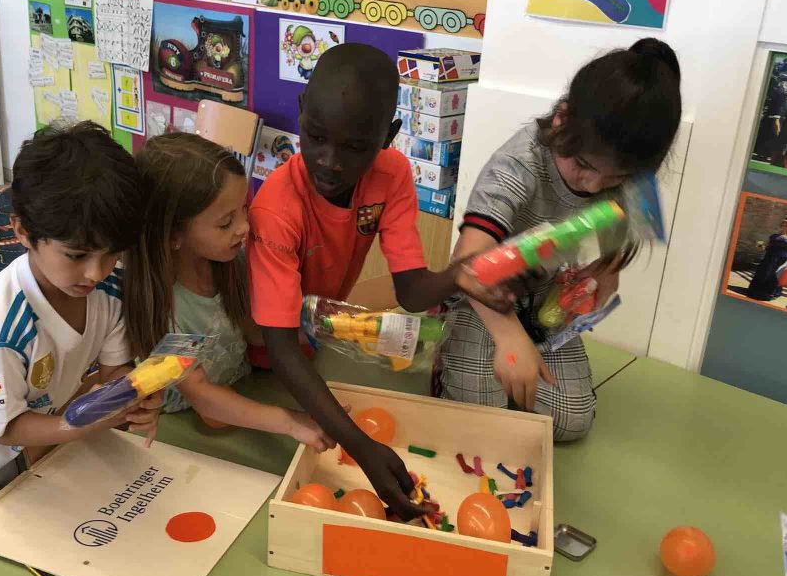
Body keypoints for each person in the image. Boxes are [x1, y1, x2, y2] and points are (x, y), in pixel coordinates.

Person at [246, 43, 514, 520]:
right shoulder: (277, 208)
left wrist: (462, 275)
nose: (329, 162)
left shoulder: (391, 175)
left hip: (310, 346)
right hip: (260, 353)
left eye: (355, 148)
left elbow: (410, 291)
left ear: (388, 136)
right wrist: (361, 447)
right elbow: (279, 349)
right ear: (302, 112)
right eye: (316, 137)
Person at [439, 38, 683, 442]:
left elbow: (614, 256)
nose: (594, 185)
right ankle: (463, 358)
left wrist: (601, 277)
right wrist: (510, 337)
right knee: (479, 424)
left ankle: (507, 372)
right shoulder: (518, 164)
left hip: (544, 305)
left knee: (572, 421)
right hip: (484, 300)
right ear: (561, 120)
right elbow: (467, 265)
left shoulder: (629, 170)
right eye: (583, 164)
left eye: (616, 178)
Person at [0, 122, 161, 484]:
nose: (96, 273)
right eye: (76, 255)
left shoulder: (111, 289)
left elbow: (114, 369)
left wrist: (134, 395)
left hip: (48, 437)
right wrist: (80, 424)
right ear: (23, 231)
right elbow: (6, 429)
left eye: (112, 254)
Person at [123, 132, 334, 451]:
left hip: (239, 398)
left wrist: (327, 329)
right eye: (226, 222)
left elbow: (257, 332)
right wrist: (290, 422)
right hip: (178, 428)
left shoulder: (231, 262)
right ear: (174, 235)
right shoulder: (164, 304)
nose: (244, 227)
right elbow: (203, 396)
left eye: (244, 209)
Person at [747, 217, 787, 301]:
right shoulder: (774, 236)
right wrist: (760, 246)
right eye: (783, 225)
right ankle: (755, 291)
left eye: (786, 226)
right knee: (764, 273)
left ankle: (768, 293)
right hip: (769, 257)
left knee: (774, 276)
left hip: (780, 260)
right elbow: (766, 246)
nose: (784, 227)